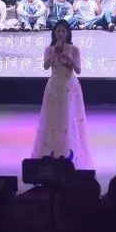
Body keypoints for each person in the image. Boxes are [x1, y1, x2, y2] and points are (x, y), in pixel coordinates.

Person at [32, 20, 93, 168]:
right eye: (58, 31)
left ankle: (68, 154)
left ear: (68, 33)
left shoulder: (74, 49)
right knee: (52, 118)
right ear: (54, 33)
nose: (60, 34)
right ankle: (50, 154)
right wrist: (55, 53)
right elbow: (46, 66)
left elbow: (78, 70)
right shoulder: (49, 49)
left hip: (69, 87)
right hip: (54, 86)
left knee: (68, 118)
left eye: (63, 31)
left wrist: (70, 60)